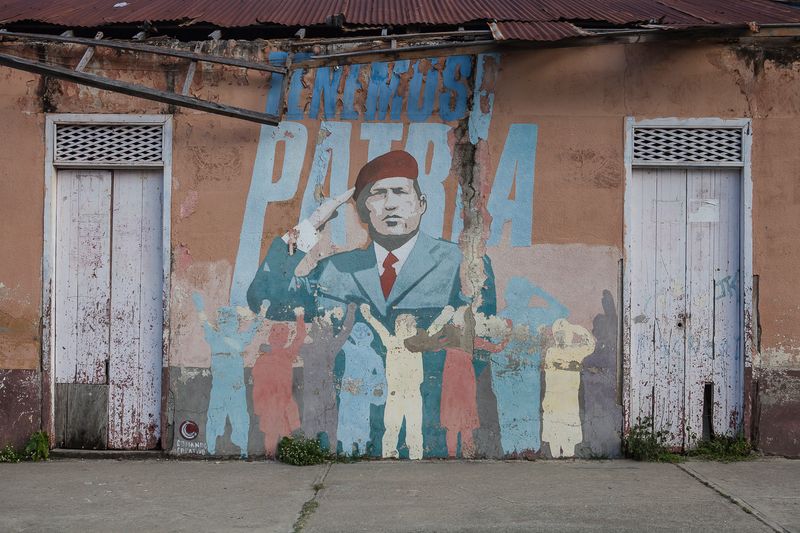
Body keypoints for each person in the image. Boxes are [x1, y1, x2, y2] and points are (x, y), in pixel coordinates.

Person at [246, 150, 495, 326]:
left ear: (421, 204)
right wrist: (312, 224)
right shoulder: (335, 269)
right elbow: (265, 300)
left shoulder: (458, 262)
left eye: (399, 192)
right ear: (364, 211)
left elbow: (481, 339)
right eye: (378, 195)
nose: (390, 205)